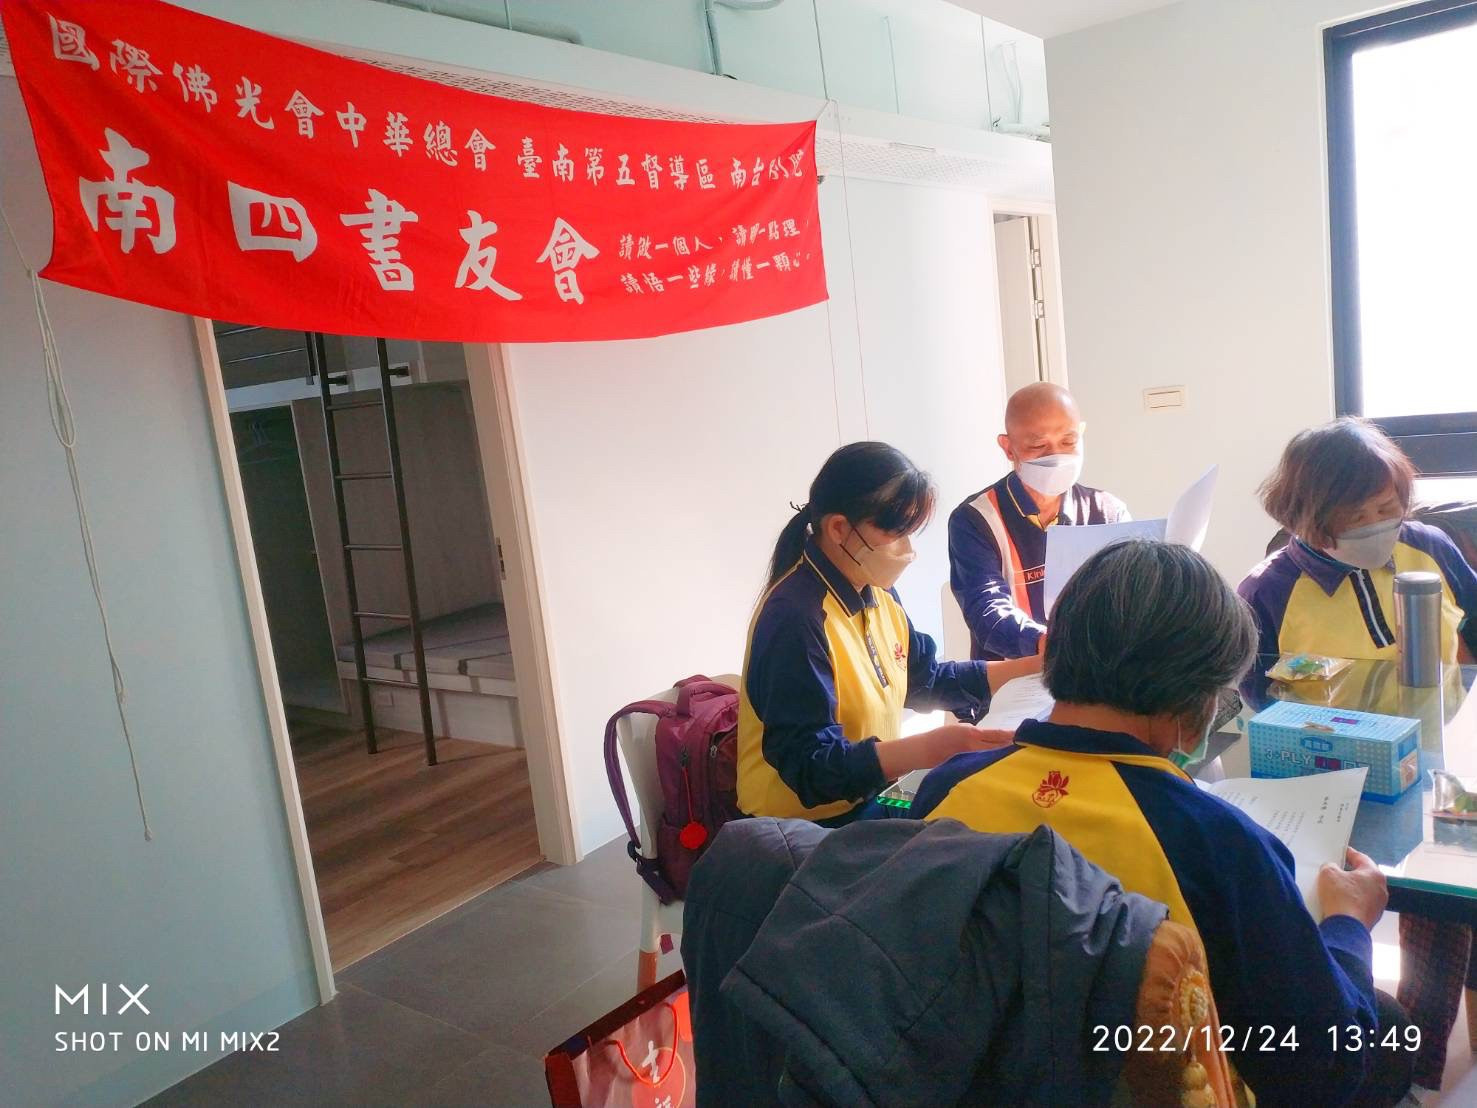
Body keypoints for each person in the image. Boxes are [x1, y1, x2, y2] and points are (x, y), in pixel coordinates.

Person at [911, 541, 1413, 1107]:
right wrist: (1348, 924)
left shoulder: (947, 788)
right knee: (1385, 1030)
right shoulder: (1219, 842)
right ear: (1195, 705)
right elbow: (1324, 1068)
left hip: (972, 1077)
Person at [1240, 417, 1477, 1097]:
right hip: (1329, 782)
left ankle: (1419, 1066)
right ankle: (1391, 1059)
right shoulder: (1267, 590)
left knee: (1450, 893)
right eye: (1359, 516)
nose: (1381, 526)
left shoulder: (1429, 546)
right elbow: (1254, 704)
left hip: (1435, 764)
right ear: (1310, 517)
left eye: (1388, 507)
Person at [738, 442, 1040, 826]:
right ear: (838, 528)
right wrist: (924, 750)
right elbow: (811, 767)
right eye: (896, 532)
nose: (907, 550)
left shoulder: (875, 589)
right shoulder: (794, 618)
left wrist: (1038, 664)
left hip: (870, 795)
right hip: (808, 828)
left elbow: (926, 679)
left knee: (979, 800)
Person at [949, 382, 1128, 661]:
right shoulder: (976, 520)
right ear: (1008, 448)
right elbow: (987, 611)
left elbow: (1130, 599)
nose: (1055, 457)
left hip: (1096, 673)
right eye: (1038, 445)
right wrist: (1051, 644)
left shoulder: (1108, 513)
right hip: (1014, 675)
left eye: (1068, 442)